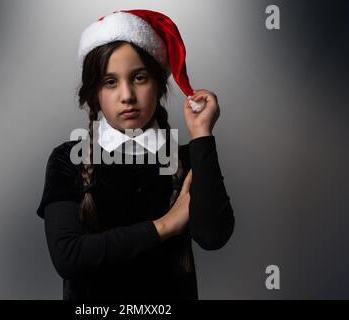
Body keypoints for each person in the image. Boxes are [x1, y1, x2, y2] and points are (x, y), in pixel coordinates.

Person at [36, 9, 235, 300]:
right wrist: (166, 225)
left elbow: (214, 236)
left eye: (139, 78)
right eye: (110, 82)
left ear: (159, 84)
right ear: (94, 94)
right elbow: (68, 256)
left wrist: (202, 135)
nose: (126, 95)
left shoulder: (185, 158)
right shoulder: (69, 158)